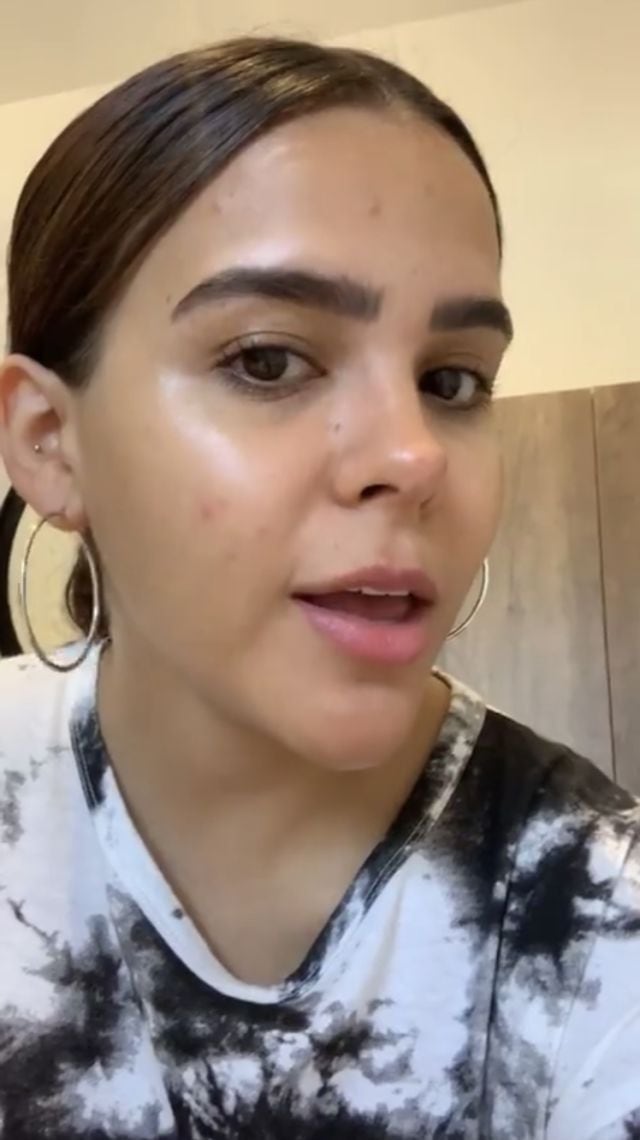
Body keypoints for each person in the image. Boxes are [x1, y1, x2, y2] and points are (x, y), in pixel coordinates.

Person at [0, 35, 638, 1140]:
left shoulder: (595, 921)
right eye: (267, 360)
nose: (414, 455)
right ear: (51, 441)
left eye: (452, 380)